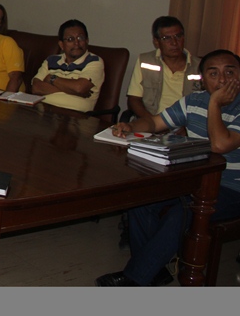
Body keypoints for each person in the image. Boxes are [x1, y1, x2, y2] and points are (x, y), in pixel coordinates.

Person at [95, 49, 240, 287]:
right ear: (203, 79)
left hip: (232, 189)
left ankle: (136, 278)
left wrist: (214, 103)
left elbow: (220, 144)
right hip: (194, 181)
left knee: (179, 214)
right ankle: (154, 270)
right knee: (142, 199)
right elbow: (155, 122)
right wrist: (131, 127)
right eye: (213, 73)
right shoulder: (193, 101)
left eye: (229, 72)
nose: (222, 80)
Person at [126, 16, 201, 120]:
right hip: (151, 121)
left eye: (178, 36)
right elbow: (134, 99)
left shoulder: (200, 67)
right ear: (156, 42)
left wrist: (186, 127)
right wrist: (153, 123)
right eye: (167, 38)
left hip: (185, 126)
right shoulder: (145, 61)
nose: (174, 43)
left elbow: (205, 106)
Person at [31, 19, 104, 112]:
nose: (76, 43)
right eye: (70, 39)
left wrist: (51, 78)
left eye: (80, 38)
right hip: (44, 111)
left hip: (75, 116)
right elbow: (36, 87)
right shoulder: (51, 60)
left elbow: (79, 88)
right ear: (61, 45)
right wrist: (72, 90)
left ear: (87, 40)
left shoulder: (95, 61)